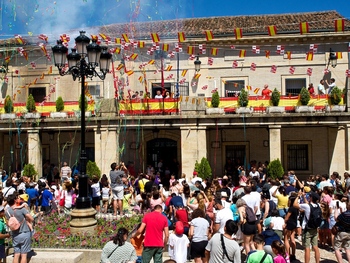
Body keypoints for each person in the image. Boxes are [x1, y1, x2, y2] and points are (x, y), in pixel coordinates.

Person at [293, 191, 321, 263]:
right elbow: (308, 204)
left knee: (307, 248)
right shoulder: (318, 205)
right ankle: (317, 261)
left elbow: (295, 204)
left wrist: (298, 196)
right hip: (315, 228)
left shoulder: (307, 206)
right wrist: (304, 197)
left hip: (307, 228)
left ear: (311, 198)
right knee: (315, 247)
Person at [5, 194, 34, 263]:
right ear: (15, 200)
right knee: (24, 255)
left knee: (16, 254)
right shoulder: (21, 209)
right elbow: (31, 218)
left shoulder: (7, 211)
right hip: (24, 232)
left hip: (15, 234)